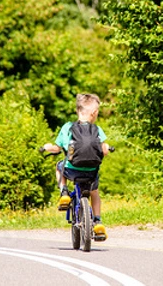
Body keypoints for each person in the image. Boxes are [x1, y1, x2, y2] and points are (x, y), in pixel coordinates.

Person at [43, 93, 111, 241]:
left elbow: (57, 148)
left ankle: (65, 193)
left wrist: (48, 147)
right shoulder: (97, 129)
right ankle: (98, 222)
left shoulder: (67, 127)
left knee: (59, 166)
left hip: (71, 170)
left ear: (78, 110)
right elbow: (105, 150)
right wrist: (107, 150)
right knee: (94, 193)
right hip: (91, 172)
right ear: (94, 113)